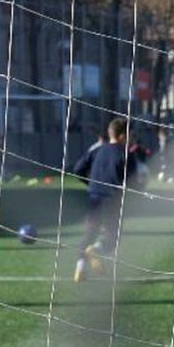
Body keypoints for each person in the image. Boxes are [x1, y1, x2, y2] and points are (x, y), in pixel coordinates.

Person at [71, 117, 137, 283]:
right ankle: (96, 251)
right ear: (122, 136)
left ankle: (80, 269)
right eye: (130, 134)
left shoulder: (97, 150)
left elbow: (78, 169)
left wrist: (92, 184)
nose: (131, 137)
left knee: (89, 234)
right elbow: (133, 182)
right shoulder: (127, 155)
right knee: (112, 238)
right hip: (112, 201)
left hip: (94, 199)